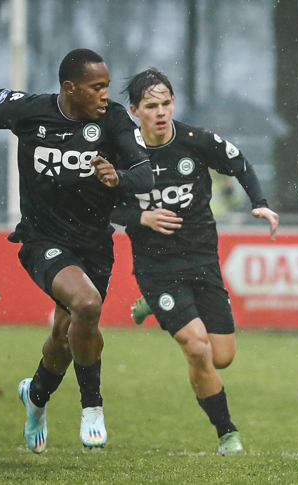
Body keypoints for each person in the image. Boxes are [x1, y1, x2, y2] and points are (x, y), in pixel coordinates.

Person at [0, 48, 154, 453]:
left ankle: (35, 398)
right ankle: (93, 406)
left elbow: (146, 173)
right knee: (85, 304)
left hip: (95, 246)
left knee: (66, 337)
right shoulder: (29, 111)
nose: (105, 94)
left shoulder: (114, 119)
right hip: (42, 240)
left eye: (106, 86)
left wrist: (117, 177)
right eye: (96, 87)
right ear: (70, 88)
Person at [112, 68, 279, 455]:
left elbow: (239, 163)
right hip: (156, 266)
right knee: (198, 349)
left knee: (222, 357)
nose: (160, 112)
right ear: (135, 110)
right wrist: (141, 217)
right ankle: (227, 433)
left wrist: (261, 204)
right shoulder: (120, 152)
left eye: (166, 103)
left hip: (203, 260)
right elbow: (99, 203)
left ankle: (151, 307)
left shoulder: (194, 141)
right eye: (150, 105)